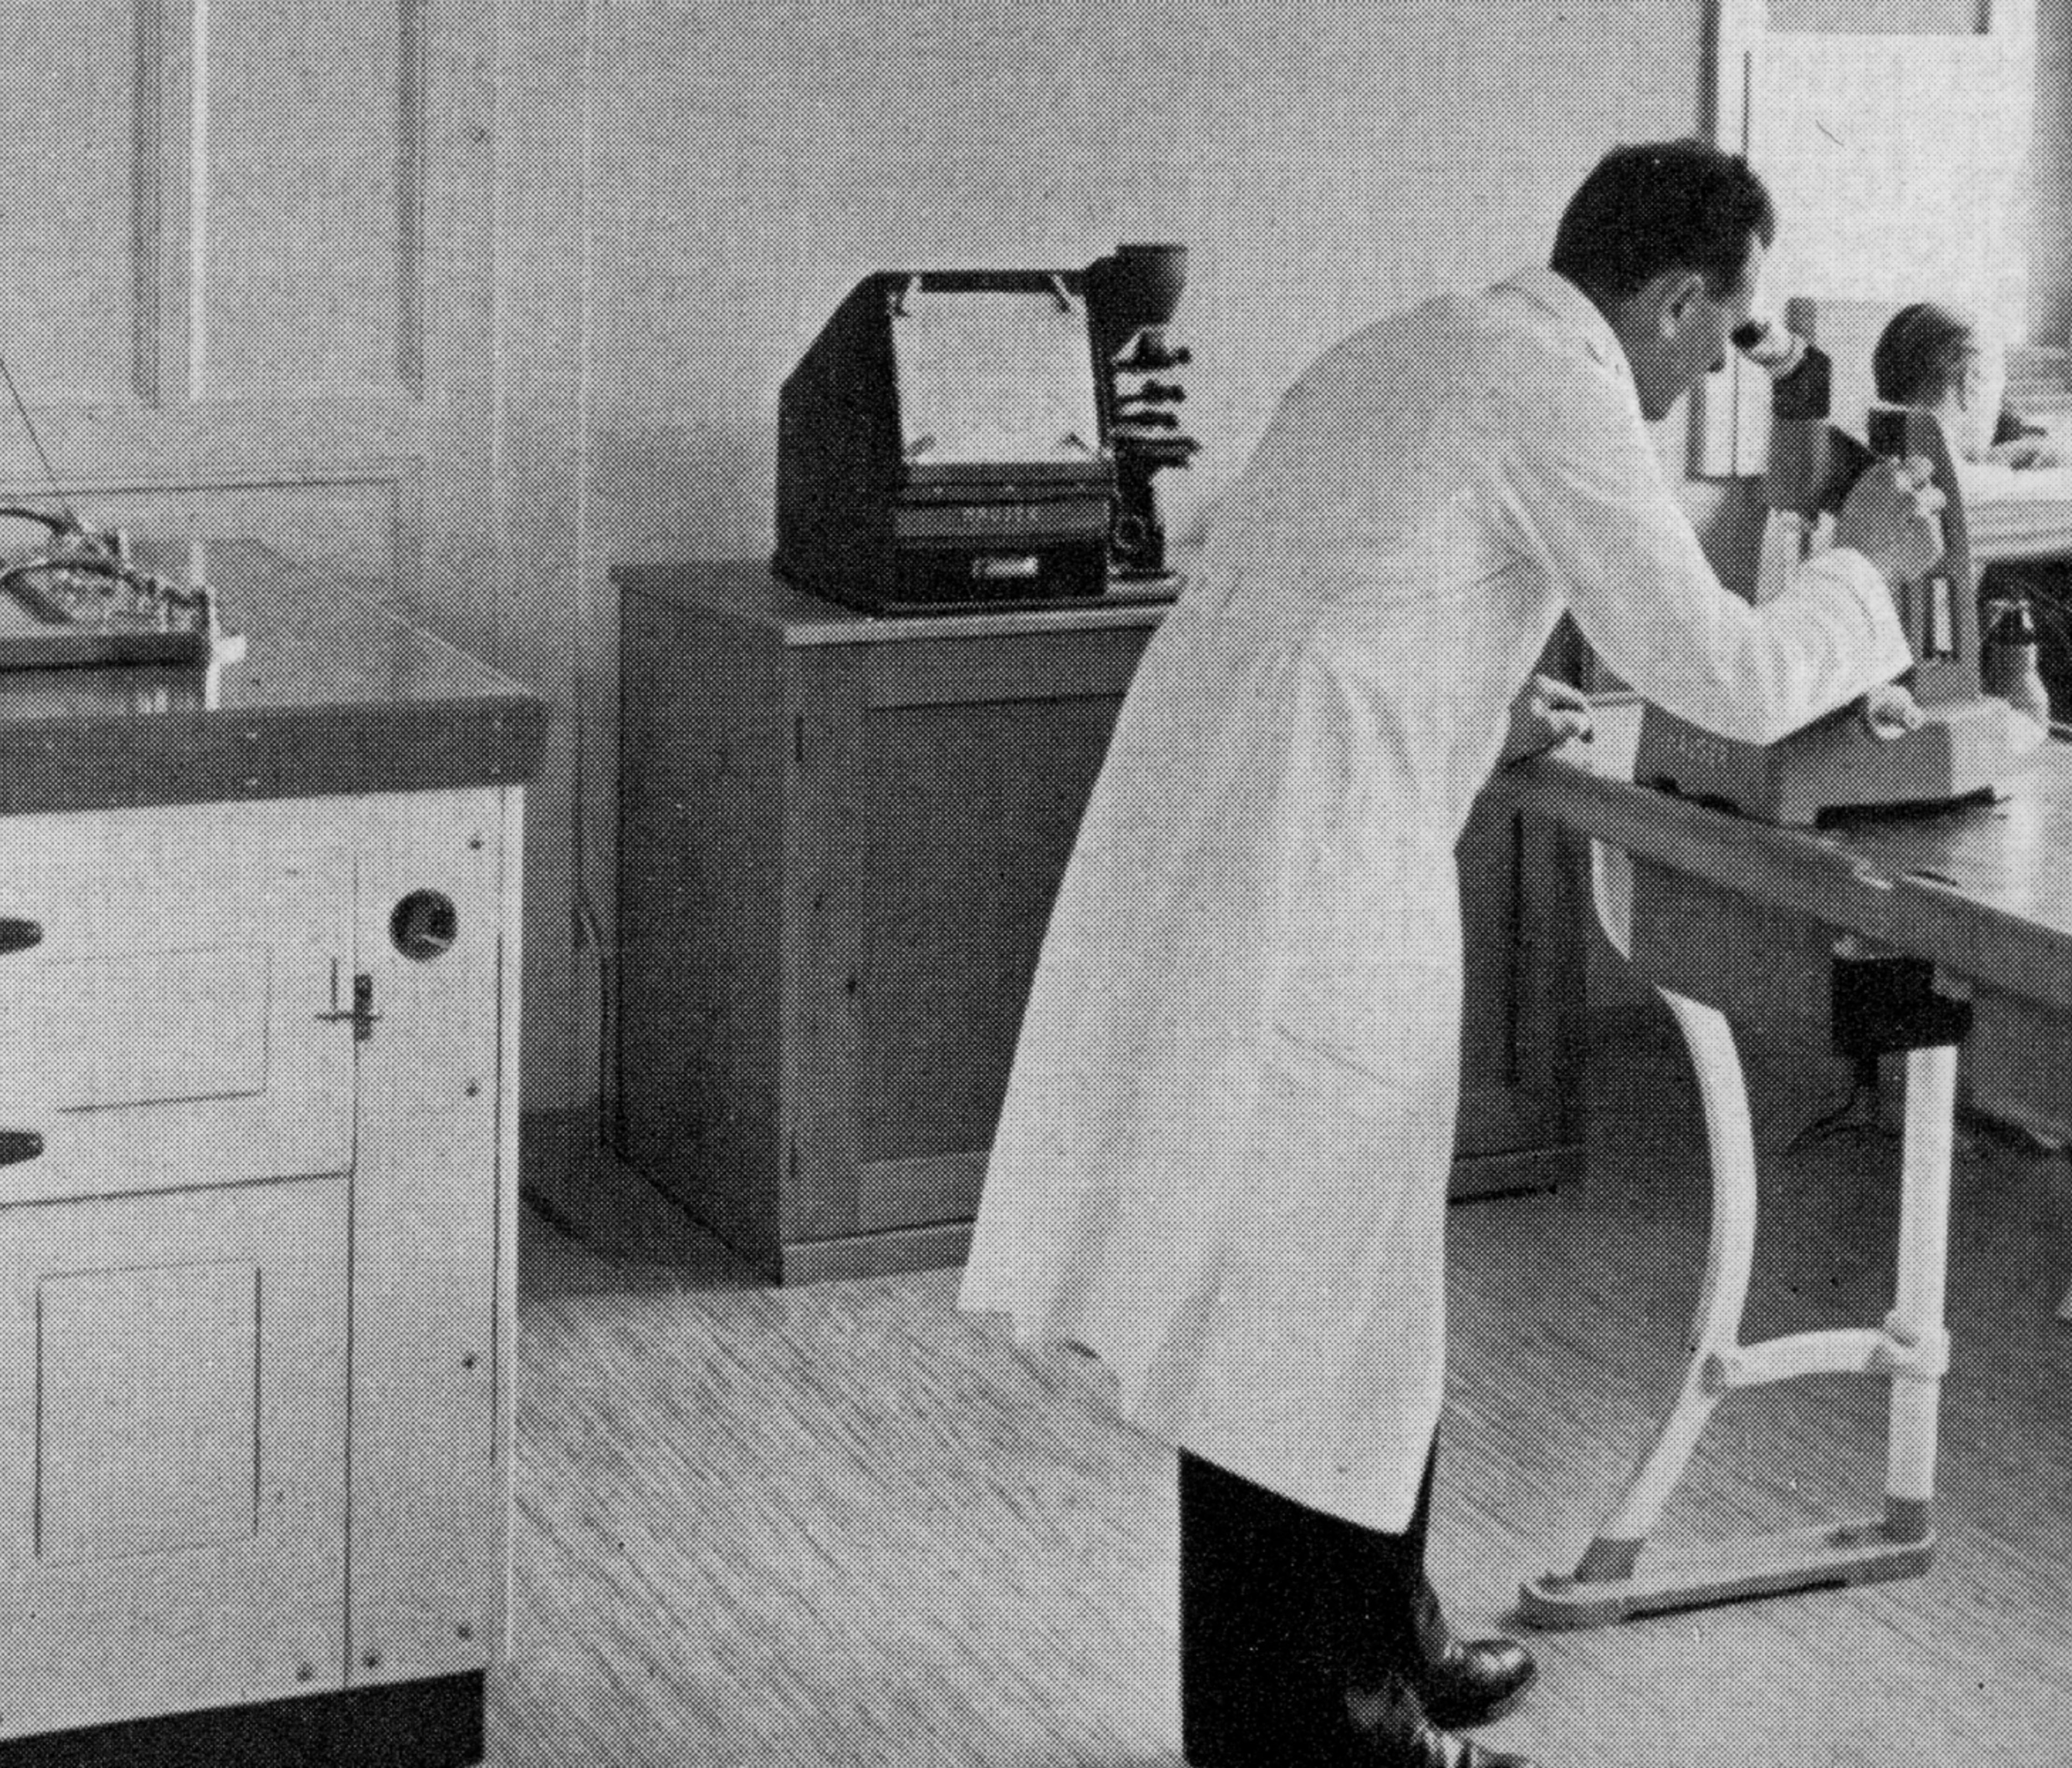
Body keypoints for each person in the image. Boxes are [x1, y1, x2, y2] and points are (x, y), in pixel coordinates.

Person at [957, 139, 1941, 1768]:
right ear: (1676, 297)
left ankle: (1376, 1642)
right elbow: (1728, 674)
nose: (1719, 358)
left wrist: (1478, 701)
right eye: (1724, 325)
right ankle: (1315, 1730)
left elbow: (1353, 602)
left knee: (1334, 1290)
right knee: (1294, 1308)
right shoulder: (1552, 388)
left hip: (1257, 834)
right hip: (1303, 876)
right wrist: (1870, 569)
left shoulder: (1427, 342)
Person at [1871, 301, 2062, 469]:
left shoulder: (1868, 471)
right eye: (1998, 395)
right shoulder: (2032, 489)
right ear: (1969, 380)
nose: (2000, 410)